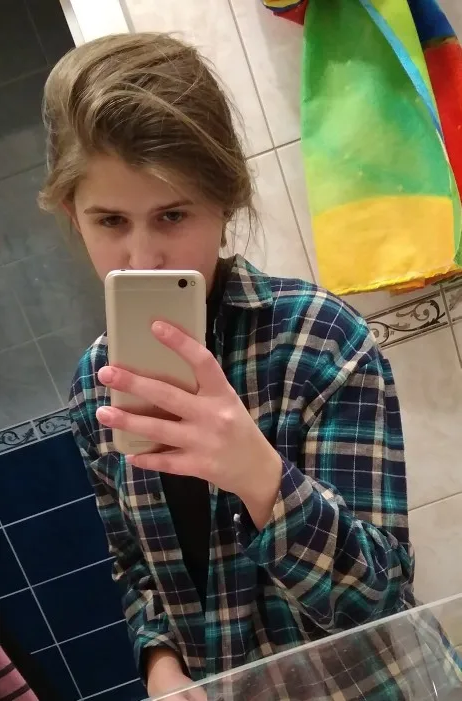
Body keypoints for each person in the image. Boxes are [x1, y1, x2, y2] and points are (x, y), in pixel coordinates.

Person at [39, 33, 416, 700]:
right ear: (74, 214)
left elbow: (380, 597)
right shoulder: (96, 386)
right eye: (110, 221)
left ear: (224, 201)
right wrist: (160, 664)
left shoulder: (321, 339)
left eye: (172, 214)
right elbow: (136, 568)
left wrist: (258, 475)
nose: (142, 257)